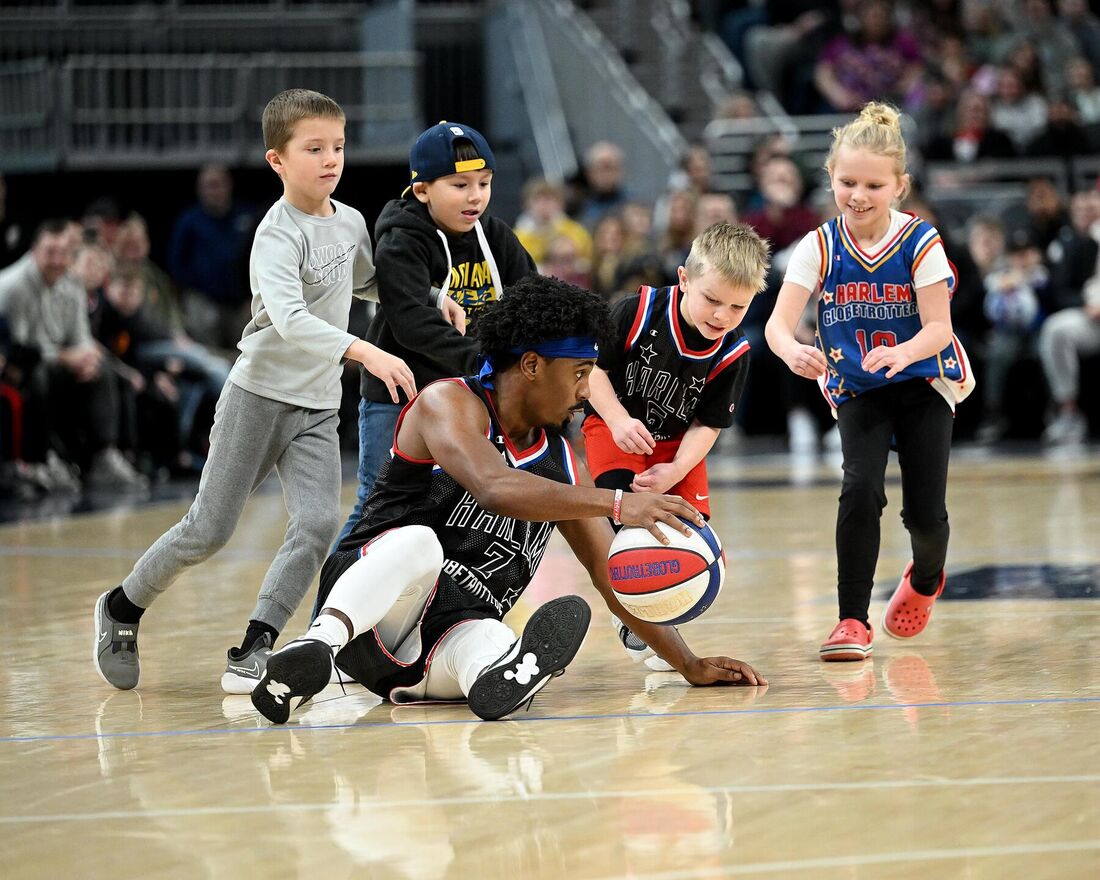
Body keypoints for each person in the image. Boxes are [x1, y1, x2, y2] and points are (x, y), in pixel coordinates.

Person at [250, 275, 765, 725]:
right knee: (420, 543)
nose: (586, 391)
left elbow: (610, 575)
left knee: (491, 642)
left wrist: (688, 664)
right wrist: (614, 502)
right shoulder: (449, 402)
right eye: (579, 373)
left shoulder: (561, 462)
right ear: (533, 365)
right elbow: (493, 486)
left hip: (437, 644)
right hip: (376, 608)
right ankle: (316, 645)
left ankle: (502, 676)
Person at [92, 88, 419, 695]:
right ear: (277, 160)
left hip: (318, 406)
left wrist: (430, 300)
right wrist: (366, 350)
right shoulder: (275, 233)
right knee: (208, 530)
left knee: (317, 524)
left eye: (338, 146)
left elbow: (372, 284)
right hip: (257, 396)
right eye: (314, 149)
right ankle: (120, 607)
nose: (331, 159)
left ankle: (257, 643)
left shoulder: (350, 222)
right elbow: (290, 319)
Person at [765, 102, 975, 662]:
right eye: (847, 182)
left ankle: (926, 579)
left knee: (924, 515)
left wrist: (902, 352)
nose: (858, 195)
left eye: (874, 185)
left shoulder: (921, 241)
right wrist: (792, 350)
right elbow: (777, 325)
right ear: (830, 178)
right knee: (859, 489)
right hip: (858, 384)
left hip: (924, 379)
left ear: (899, 187)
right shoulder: (818, 244)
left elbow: (939, 329)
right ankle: (851, 620)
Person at [336, 121, 535, 546]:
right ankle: (335, 590)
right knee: (378, 505)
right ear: (423, 190)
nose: (476, 195)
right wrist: (488, 361)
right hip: (398, 394)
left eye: (484, 183)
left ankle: (436, 592)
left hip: (465, 395)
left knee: (453, 508)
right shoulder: (402, 240)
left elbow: (533, 297)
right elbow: (411, 322)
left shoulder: (496, 236)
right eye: (460, 185)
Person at [580, 222, 769, 663]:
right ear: (684, 278)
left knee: (690, 540)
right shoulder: (637, 310)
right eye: (712, 300)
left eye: (737, 307)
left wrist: (678, 469)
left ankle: (658, 612)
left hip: (679, 446)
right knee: (632, 516)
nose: (722, 316)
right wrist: (618, 418)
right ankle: (635, 612)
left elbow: (708, 424)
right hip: (615, 428)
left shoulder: (733, 352)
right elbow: (593, 371)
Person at [0, 219, 145, 488]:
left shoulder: (72, 283)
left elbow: (82, 337)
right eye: (50, 253)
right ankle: (43, 460)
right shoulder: (15, 286)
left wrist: (86, 358)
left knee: (101, 369)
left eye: (62, 253)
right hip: (22, 365)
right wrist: (68, 357)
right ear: (34, 251)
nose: (57, 260)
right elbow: (20, 352)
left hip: (55, 360)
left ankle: (104, 457)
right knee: (38, 375)